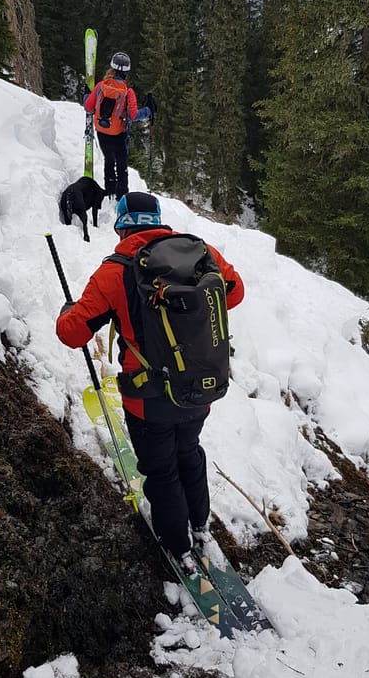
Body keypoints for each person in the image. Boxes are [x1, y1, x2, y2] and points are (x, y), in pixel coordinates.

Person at [56, 191, 245, 575]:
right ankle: (199, 523)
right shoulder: (200, 252)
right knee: (189, 451)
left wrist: (67, 311)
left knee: (161, 470)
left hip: (148, 399)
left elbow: (73, 333)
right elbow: (235, 292)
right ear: (159, 220)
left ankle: (178, 545)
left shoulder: (116, 270)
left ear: (122, 225)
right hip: (199, 385)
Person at [83, 52, 154, 201]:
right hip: (118, 133)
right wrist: (148, 110)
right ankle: (122, 196)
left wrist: (86, 95)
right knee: (121, 165)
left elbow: (88, 107)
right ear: (126, 71)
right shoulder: (128, 92)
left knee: (108, 160)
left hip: (102, 131)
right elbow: (133, 115)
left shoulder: (100, 87)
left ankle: (109, 190)